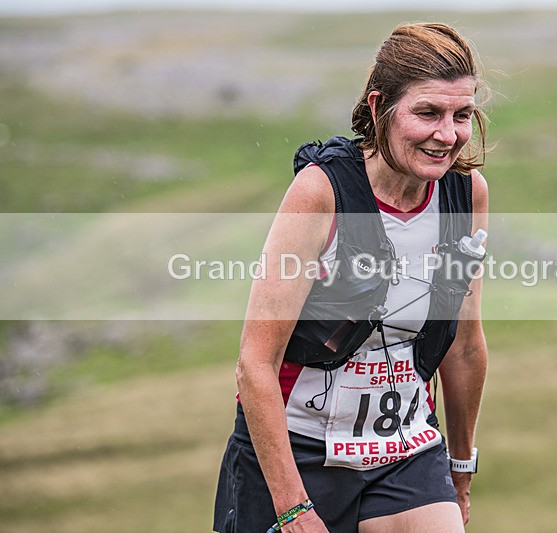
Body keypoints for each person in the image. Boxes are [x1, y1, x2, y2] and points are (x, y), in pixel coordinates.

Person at [213, 22, 489, 533]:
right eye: (427, 113)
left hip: (406, 446)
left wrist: (460, 469)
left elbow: (465, 347)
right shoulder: (321, 191)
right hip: (298, 448)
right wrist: (292, 508)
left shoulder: (465, 193)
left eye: (462, 115)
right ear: (380, 106)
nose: (447, 135)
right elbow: (255, 363)